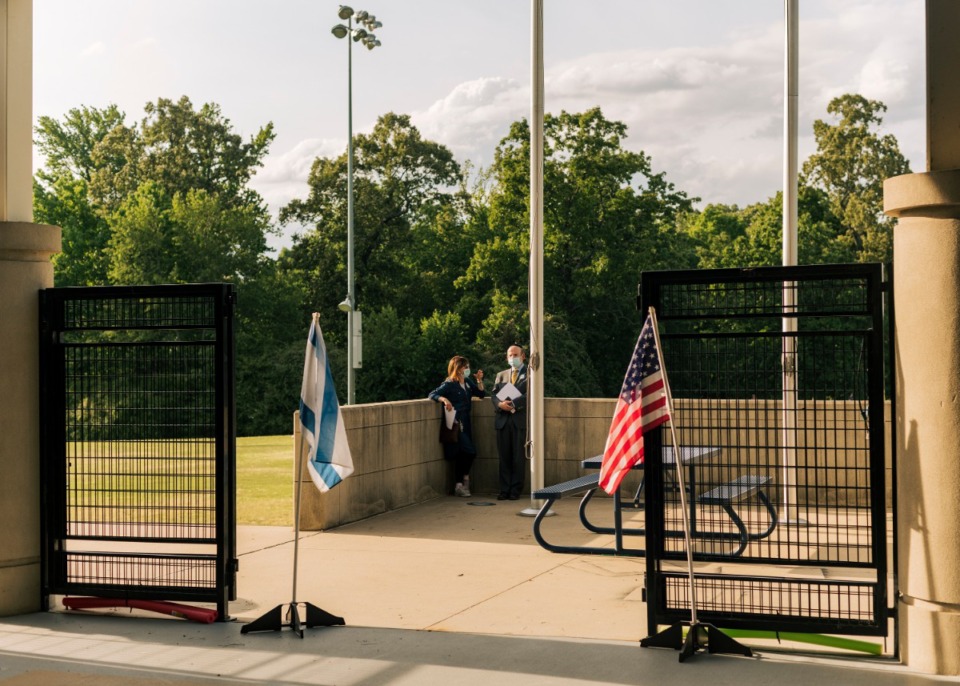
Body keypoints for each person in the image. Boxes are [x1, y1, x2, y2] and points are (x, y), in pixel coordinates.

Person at [428, 355, 485, 497]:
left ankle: (459, 484)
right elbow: (433, 394)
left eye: (468, 366)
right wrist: (444, 399)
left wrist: (479, 380)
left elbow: (481, 394)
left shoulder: (467, 382)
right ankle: (464, 480)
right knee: (470, 451)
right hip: (456, 422)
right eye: (465, 367)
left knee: (463, 454)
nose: (467, 369)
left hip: (466, 421)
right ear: (457, 368)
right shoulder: (449, 384)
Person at [490, 345, 527, 500]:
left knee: (518, 457)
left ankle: (515, 490)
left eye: (516, 355)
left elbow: (530, 395)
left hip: (519, 420)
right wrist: (500, 404)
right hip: (503, 421)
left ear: (523, 356)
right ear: (506, 358)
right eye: (510, 355)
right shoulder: (501, 375)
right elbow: (493, 395)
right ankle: (504, 490)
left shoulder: (531, 374)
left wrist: (513, 404)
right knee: (504, 457)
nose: (513, 358)